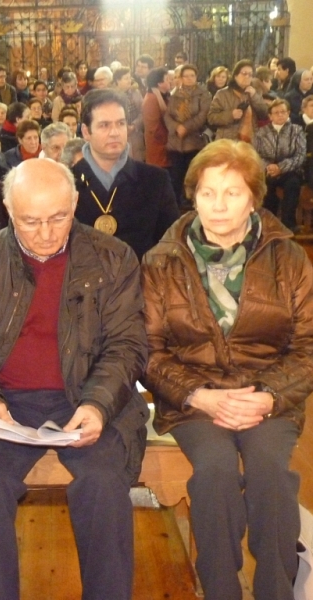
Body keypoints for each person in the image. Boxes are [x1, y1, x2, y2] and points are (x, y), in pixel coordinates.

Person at [0, 157, 148, 600]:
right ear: (7, 211)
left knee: (102, 484)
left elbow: (127, 346)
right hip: (4, 404)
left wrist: (97, 405)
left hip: (86, 395)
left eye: (59, 217)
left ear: (76, 203)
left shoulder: (113, 258)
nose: (45, 232)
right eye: (30, 221)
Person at [141, 138, 313, 600]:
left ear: (254, 198)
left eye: (232, 193)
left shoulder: (289, 258)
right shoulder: (160, 261)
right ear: (192, 195)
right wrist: (200, 396)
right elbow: (148, 351)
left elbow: (308, 346)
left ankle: (277, 588)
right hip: (194, 401)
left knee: (271, 473)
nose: (218, 205)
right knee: (214, 471)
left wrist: (269, 395)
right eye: (207, 192)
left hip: (269, 397)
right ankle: (219, 590)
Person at [73, 89, 178, 260]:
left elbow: (171, 246)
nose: (115, 132)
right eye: (104, 125)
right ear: (86, 132)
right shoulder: (68, 182)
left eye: (120, 123)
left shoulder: (155, 180)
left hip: (140, 281)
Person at [254, 98, 306, 232]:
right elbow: (256, 154)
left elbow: (300, 155)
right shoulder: (261, 132)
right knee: (266, 185)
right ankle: (269, 223)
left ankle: (288, 224)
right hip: (269, 170)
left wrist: (281, 167)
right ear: (270, 116)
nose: (280, 115)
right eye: (276, 112)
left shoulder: (297, 130)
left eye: (283, 112)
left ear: (288, 113)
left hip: (290, 170)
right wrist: (269, 167)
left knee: (292, 184)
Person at [164, 64, 212, 203]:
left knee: (193, 175)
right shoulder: (175, 94)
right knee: (176, 176)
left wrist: (186, 127)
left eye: (192, 76)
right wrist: (176, 127)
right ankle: (175, 205)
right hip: (176, 141)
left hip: (194, 140)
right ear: (181, 78)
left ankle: (193, 203)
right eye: (186, 76)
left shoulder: (203, 94)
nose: (189, 79)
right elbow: (167, 115)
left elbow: (203, 115)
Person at [207, 59, 268, 142]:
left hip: (251, 139)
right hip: (228, 140)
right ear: (235, 75)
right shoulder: (222, 94)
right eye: (244, 74)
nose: (247, 77)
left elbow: (264, 113)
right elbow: (211, 118)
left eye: (250, 74)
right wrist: (230, 115)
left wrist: (255, 96)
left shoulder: (255, 92)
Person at [112, 67, 145, 161]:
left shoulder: (136, 92)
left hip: (135, 133)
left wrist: (134, 125)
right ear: (118, 80)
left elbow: (142, 112)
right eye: (126, 78)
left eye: (129, 78)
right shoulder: (112, 95)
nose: (129, 80)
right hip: (119, 133)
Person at [142, 66, 171, 169]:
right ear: (159, 83)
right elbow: (153, 128)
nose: (170, 82)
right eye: (167, 79)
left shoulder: (163, 96)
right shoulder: (152, 99)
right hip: (158, 148)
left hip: (164, 146)